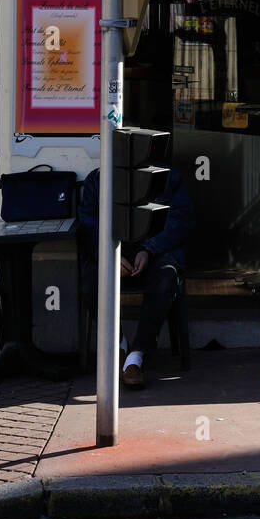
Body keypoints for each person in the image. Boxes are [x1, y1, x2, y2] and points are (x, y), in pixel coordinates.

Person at [78, 164, 195, 388]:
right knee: (90, 283)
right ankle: (119, 345)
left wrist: (150, 249)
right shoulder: (98, 179)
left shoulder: (169, 178)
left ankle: (136, 356)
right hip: (114, 251)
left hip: (157, 251)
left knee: (165, 279)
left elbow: (182, 220)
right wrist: (109, 255)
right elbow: (89, 224)